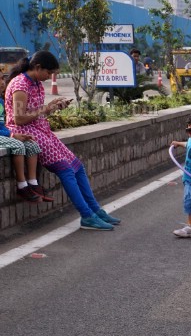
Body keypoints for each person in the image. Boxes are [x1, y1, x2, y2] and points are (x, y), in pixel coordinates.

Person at [4, 51, 118, 230]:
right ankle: (86, 215)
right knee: (65, 169)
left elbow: (38, 110)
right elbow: (18, 119)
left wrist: (52, 107)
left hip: (41, 129)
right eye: (48, 73)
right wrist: (44, 109)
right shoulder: (20, 84)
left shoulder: (36, 83)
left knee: (77, 166)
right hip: (25, 131)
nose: (49, 77)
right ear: (38, 67)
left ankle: (95, 209)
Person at [0, 73, 52, 203]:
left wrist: (11, 133)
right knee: (18, 145)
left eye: (2, 78)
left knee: (32, 144)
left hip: (4, 134)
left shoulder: (0, 101)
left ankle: (33, 183)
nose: (2, 82)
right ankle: (22, 186)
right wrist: (12, 135)